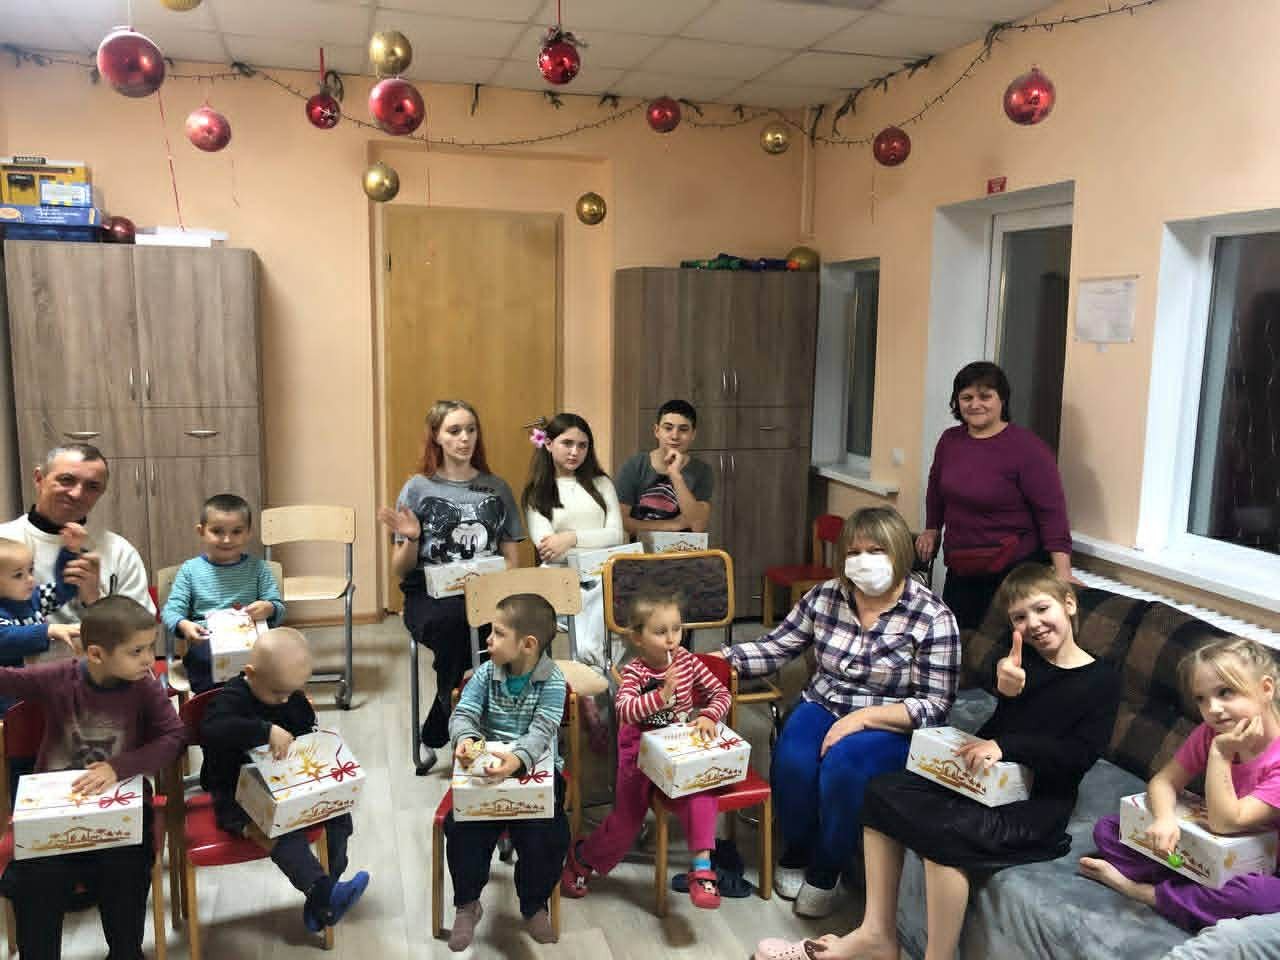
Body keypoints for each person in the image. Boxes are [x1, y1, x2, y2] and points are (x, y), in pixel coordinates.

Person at [754, 565, 1120, 960]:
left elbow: (1078, 758)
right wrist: (1008, 693)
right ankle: (876, 935)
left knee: (942, 833)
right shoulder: (1018, 662)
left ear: (1069, 604)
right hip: (984, 782)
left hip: (1038, 804)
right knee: (880, 792)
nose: (1033, 624)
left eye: (1041, 609)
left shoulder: (1103, 679)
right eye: (1019, 617)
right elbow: (995, 731)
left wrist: (1006, 744)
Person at [724, 506, 960, 918]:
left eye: (877, 550)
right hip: (825, 700)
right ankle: (797, 850)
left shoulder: (932, 616)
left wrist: (862, 720)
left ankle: (826, 869)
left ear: (900, 554)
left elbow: (935, 704)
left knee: (843, 767)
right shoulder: (825, 596)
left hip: (890, 718)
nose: (864, 560)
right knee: (793, 761)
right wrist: (713, 661)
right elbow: (775, 647)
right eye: (855, 551)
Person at [0, 596, 184, 959]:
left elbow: (174, 737)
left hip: (121, 812)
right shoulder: (59, 677)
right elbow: (7, 680)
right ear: (97, 654)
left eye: (151, 648)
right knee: (35, 884)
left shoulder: (145, 686)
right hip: (53, 813)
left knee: (126, 877)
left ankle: (125, 953)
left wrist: (119, 767)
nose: (150, 660)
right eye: (137, 651)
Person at [1080, 636, 1280, 931]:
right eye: (1201, 699)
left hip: (1265, 865)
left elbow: (1227, 822)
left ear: (1265, 689)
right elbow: (1163, 781)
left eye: (1225, 692)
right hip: (1215, 847)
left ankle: (1145, 892)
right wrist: (1164, 821)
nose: (1213, 709)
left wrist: (1221, 754)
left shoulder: (1241, 748)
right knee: (1110, 830)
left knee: (1258, 900)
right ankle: (1192, 883)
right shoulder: (1210, 731)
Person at [561, 588, 732, 908]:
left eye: (677, 629)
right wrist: (661, 696)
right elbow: (624, 709)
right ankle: (582, 857)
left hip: (678, 747)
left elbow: (722, 694)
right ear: (638, 638)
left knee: (702, 790)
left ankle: (702, 870)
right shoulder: (635, 672)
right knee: (627, 823)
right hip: (638, 751)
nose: (671, 639)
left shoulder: (689, 662)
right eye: (660, 632)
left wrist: (709, 715)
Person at [378, 400, 524, 773]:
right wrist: (410, 539)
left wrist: (492, 581)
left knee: (511, 629)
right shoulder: (418, 488)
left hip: (488, 590)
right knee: (456, 626)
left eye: (470, 430)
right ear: (437, 438)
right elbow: (400, 569)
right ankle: (463, 716)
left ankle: (450, 713)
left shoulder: (496, 488)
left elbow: (513, 560)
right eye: (454, 431)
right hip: (431, 593)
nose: (464, 438)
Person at [199, 627, 370, 933]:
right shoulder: (232, 698)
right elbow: (212, 730)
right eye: (277, 693)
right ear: (250, 673)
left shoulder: (290, 697)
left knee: (338, 814)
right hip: (238, 798)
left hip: (291, 787)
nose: (284, 700)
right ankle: (322, 894)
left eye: (292, 691)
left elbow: (306, 730)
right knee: (284, 834)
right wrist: (264, 730)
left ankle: (326, 891)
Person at [443, 594, 569, 951]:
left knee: (548, 835)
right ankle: (468, 902)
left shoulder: (553, 681)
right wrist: (466, 739)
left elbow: (542, 731)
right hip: (486, 769)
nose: (488, 640)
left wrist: (517, 761)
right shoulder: (485, 673)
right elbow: (464, 713)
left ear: (528, 644)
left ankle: (533, 904)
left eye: (497, 633)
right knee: (462, 825)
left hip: (533, 770)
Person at [915, 361, 1072, 630]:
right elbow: (936, 488)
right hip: (962, 565)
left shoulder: (1028, 449)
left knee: (1003, 647)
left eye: (985, 396)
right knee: (957, 640)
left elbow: (1052, 512)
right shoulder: (950, 441)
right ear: (957, 402)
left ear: (1002, 400)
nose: (975, 404)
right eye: (966, 397)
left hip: (1013, 568)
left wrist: (1063, 572)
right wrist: (931, 528)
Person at [0, 443, 154, 623]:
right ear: (39, 478)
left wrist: (95, 600)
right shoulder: (5, 540)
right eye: (66, 480)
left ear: (101, 493)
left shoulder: (119, 552)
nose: (77, 494)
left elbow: (142, 631)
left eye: (92, 486)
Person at [522, 412, 624, 672]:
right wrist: (591, 542)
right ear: (548, 444)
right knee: (599, 602)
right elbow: (549, 551)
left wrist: (570, 538)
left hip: (602, 573)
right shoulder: (538, 492)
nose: (575, 452)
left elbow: (616, 535)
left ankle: (594, 669)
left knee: (610, 590)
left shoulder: (602, 483)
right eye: (567, 443)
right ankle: (595, 669)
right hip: (561, 577)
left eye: (582, 445)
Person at [161, 493, 286, 694]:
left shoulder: (259, 569)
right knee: (203, 658)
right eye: (217, 531)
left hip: (251, 641)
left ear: (248, 533)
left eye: (236, 531)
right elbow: (171, 611)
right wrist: (184, 625)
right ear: (201, 531)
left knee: (280, 655)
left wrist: (269, 608)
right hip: (207, 641)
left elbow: (278, 607)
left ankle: (261, 711)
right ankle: (213, 709)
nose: (227, 539)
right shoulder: (190, 570)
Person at [615, 400, 713, 536]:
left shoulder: (702, 471)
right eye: (668, 428)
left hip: (685, 553)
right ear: (657, 431)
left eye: (683, 430)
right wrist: (673, 525)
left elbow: (697, 525)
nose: (675, 436)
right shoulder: (634, 466)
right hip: (642, 553)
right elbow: (621, 523)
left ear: (693, 435)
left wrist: (675, 475)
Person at [0, 525, 85, 682]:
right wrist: (47, 631)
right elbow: (5, 638)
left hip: (38, 682)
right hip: (11, 696)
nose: (31, 579)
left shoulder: (34, 598)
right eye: (18, 575)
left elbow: (65, 589)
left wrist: (70, 553)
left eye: (30, 570)